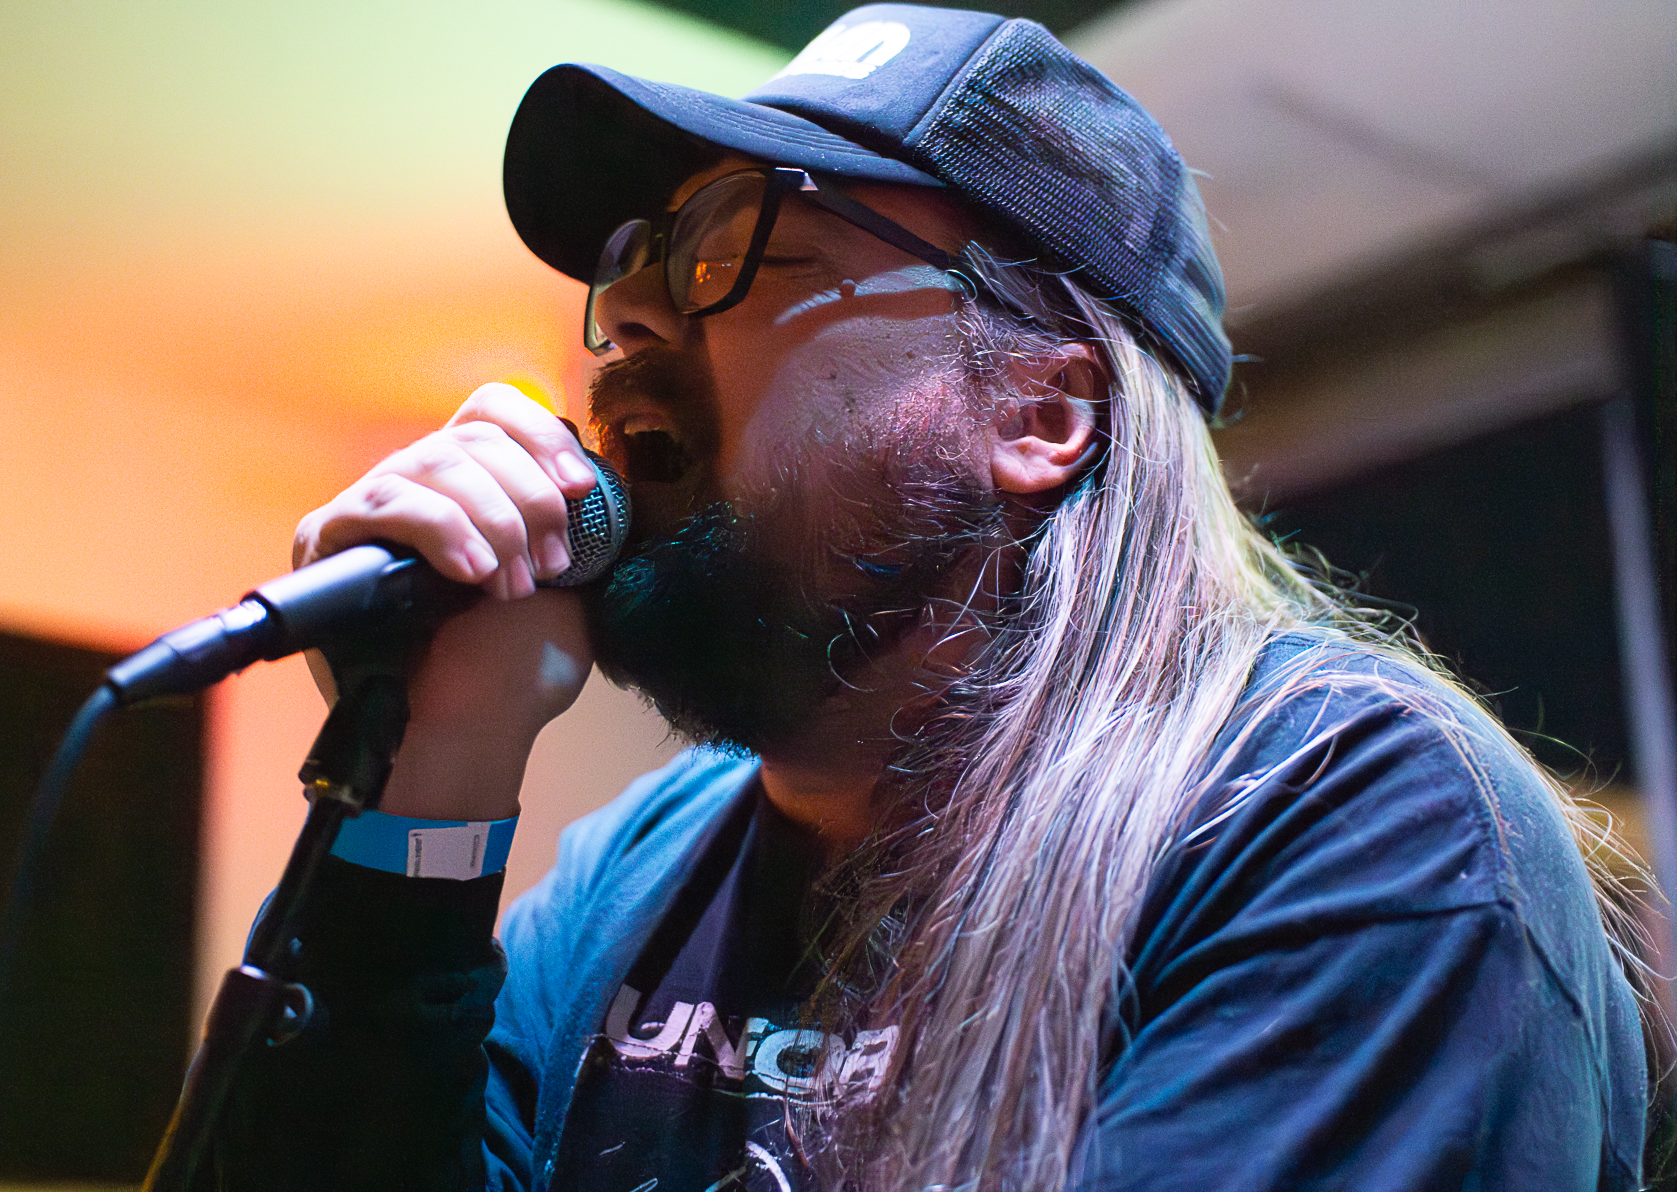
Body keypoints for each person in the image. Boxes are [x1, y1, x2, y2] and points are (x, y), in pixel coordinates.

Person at [218, 6, 1667, 1189]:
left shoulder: (1348, 824)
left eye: (733, 240)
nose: (635, 315)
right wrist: (426, 786)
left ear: (1041, 412)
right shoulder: (636, 868)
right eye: (635, 265)